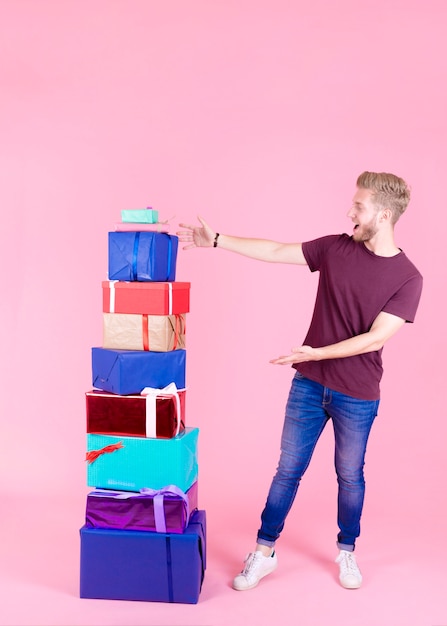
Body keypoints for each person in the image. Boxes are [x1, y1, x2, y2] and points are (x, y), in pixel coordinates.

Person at [177, 171, 423, 591]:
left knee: (350, 475)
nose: (350, 212)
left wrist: (317, 353)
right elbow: (274, 250)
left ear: (383, 215)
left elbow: (376, 337)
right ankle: (264, 552)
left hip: (357, 394)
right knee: (287, 470)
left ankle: (348, 552)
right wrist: (216, 239)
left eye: (358, 206)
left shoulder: (408, 278)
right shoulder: (335, 248)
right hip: (309, 384)